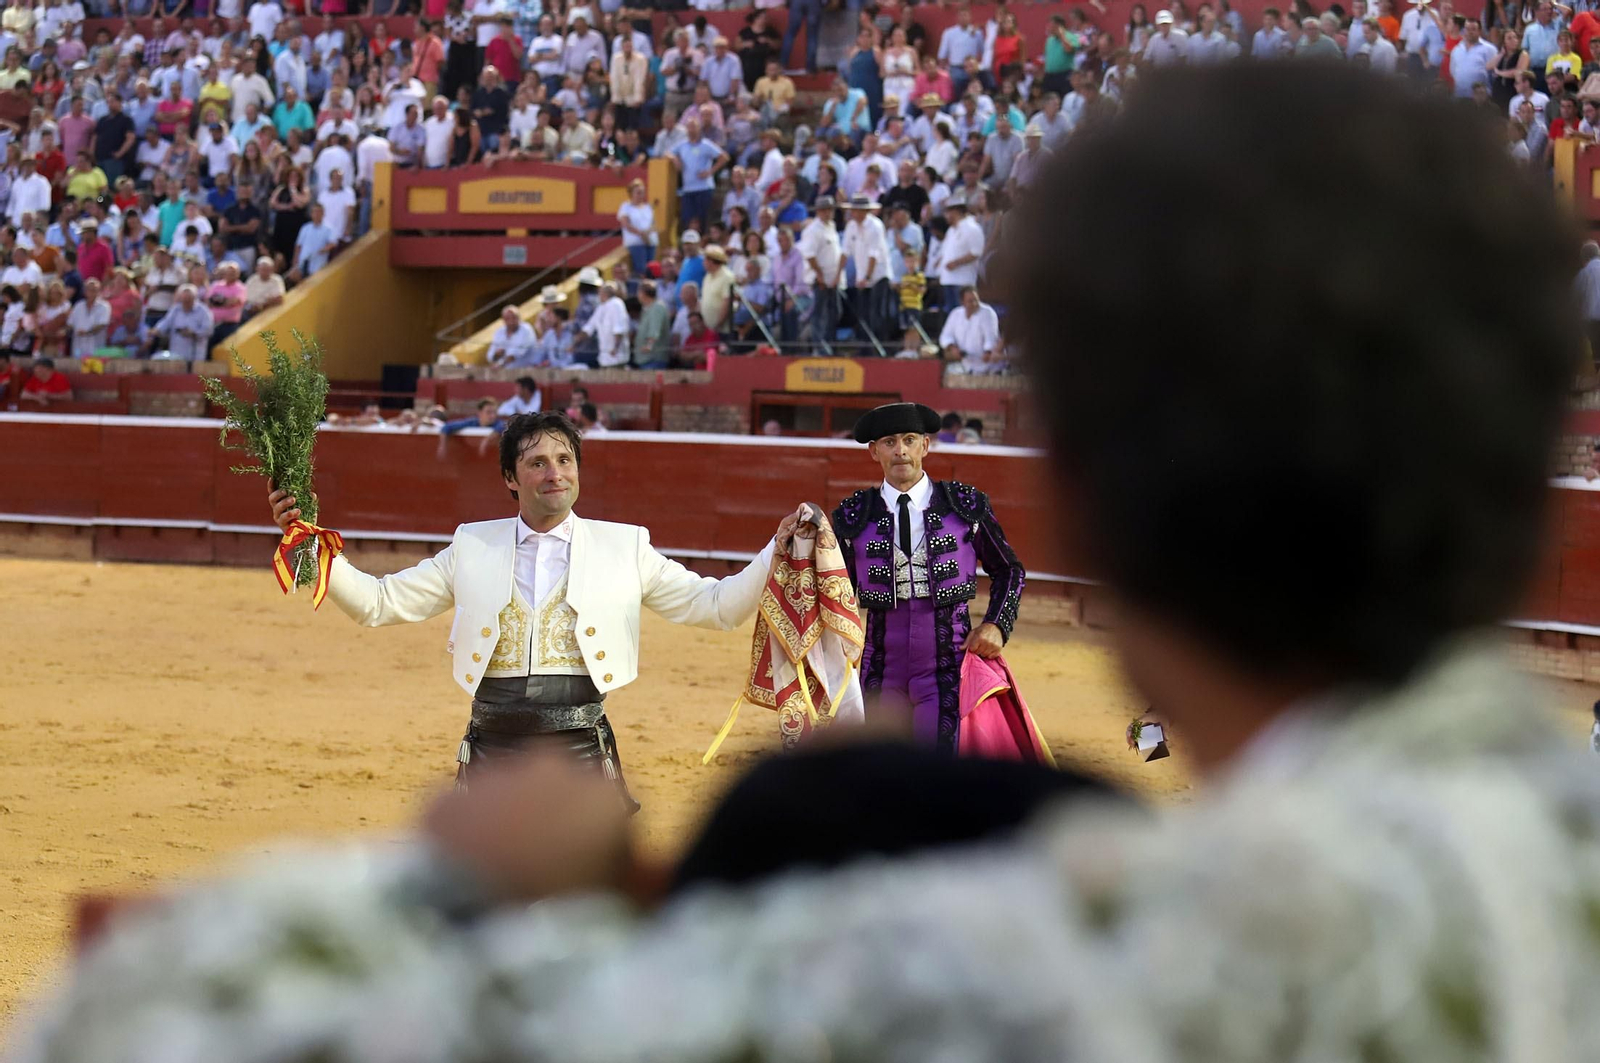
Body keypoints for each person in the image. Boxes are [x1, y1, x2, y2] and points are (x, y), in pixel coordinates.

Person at [265, 412, 807, 806]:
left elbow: (716, 607)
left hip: (579, 745)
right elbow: (378, 604)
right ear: (510, 478)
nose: (556, 472)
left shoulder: (625, 546)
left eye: (566, 459)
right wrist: (306, 541)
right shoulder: (473, 546)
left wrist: (773, 550)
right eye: (538, 462)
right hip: (493, 743)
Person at [829, 402, 1024, 750]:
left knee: (933, 767)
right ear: (874, 451)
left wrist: (997, 624)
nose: (900, 450)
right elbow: (829, 587)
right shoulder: (852, 517)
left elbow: (1009, 569)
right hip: (880, 667)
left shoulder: (964, 506)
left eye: (908, 440)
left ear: (925, 446)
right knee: (880, 768)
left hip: (946, 666)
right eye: (889, 442)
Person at [150, 283, 215, 358]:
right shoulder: (176, 310)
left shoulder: (203, 311)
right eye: (184, 299)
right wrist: (157, 330)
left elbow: (209, 330)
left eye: (189, 299)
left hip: (196, 352)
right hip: (177, 352)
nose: (186, 302)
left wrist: (194, 333)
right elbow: (166, 322)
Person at [65, 276, 110, 358]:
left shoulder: (104, 306)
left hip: (96, 347)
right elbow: (70, 323)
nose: (91, 292)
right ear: (85, 291)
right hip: (78, 347)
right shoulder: (78, 306)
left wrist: (87, 332)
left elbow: (102, 324)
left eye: (94, 290)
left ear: (99, 291)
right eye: (89, 290)